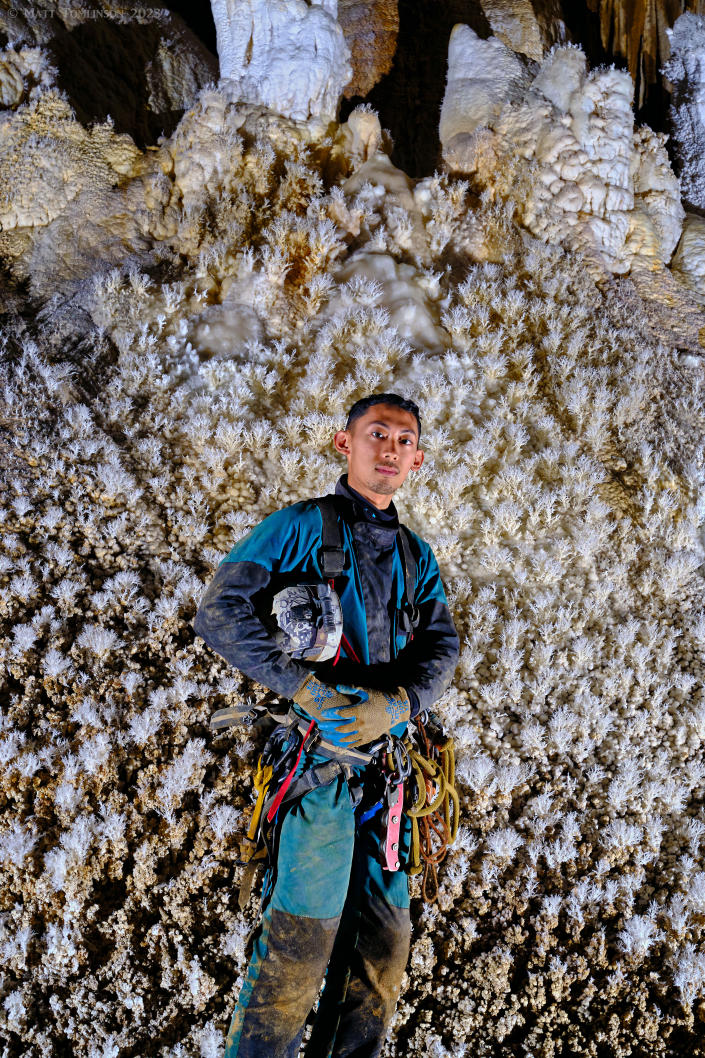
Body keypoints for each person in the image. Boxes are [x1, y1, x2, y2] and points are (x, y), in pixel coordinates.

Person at [194, 393, 459, 1058]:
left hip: (391, 776)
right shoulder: (296, 526)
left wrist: (397, 705)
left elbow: (441, 645)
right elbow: (220, 612)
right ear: (345, 445)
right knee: (299, 945)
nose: (389, 449)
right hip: (320, 767)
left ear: (417, 460)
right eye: (377, 435)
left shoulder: (415, 556)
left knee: (383, 948)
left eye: (402, 442)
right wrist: (305, 690)